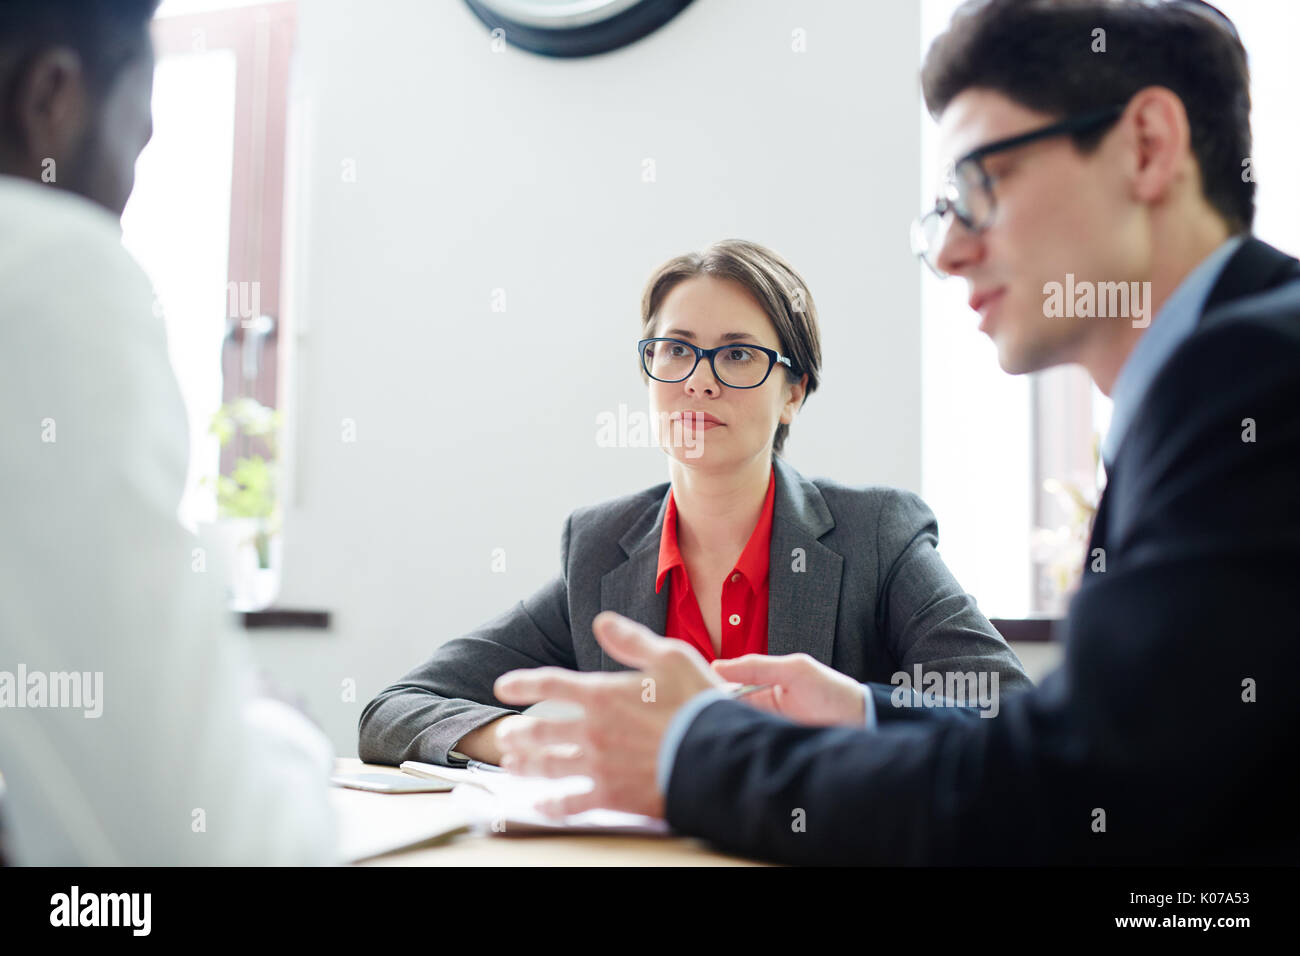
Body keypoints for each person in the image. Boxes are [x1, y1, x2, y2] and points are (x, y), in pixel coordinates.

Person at [491, 0, 1300, 864]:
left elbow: (1077, 795)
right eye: (943, 207)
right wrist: (869, 708)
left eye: (982, 184)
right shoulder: (1219, 374)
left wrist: (695, 750)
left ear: (1147, 146)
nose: (949, 250)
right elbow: (1104, 754)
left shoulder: (1251, 381)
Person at [358, 239, 1030, 768]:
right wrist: (522, 743)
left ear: (793, 391)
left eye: (737, 355)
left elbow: (1005, 707)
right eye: (676, 350)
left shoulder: (876, 534)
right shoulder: (600, 548)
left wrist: (851, 709)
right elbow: (396, 709)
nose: (699, 382)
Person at [0, 0, 337, 864]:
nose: (126, 193)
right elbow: (184, 848)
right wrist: (279, 737)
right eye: (137, 142)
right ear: (52, 97)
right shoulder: (46, 272)